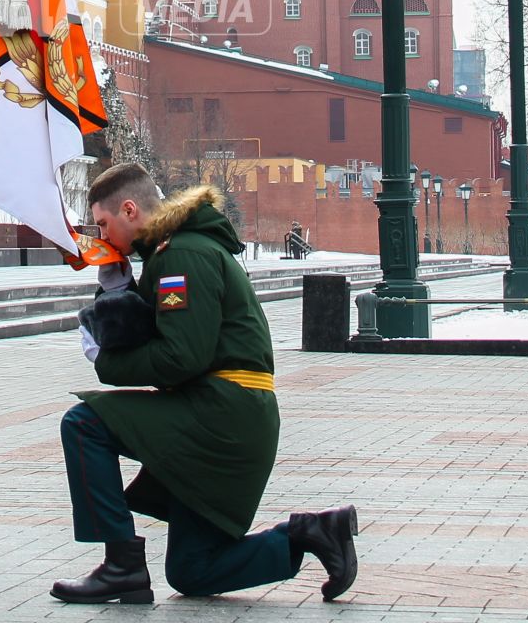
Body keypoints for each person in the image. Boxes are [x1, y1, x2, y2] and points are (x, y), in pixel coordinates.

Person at [52, 163, 360, 605]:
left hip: (223, 415)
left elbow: (182, 356)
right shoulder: (171, 252)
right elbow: (162, 335)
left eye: (103, 223)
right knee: (192, 570)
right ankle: (310, 534)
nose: (102, 235)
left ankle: (121, 565)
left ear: (130, 209)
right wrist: (117, 297)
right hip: (231, 413)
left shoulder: (182, 256)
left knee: (84, 424)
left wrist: (107, 361)